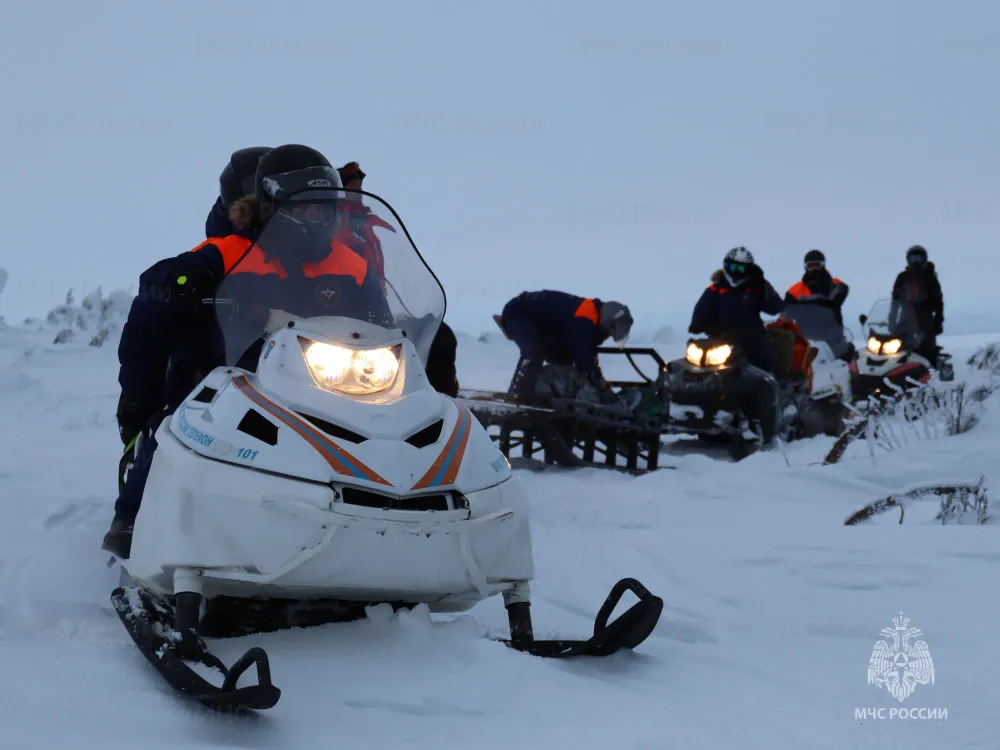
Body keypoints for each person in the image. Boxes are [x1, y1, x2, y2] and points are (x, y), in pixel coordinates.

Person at [103, 143, 388, 558]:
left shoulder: (351, 264)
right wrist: (176, 289)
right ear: (274, 207)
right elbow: (154, 299)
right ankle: (134, 523)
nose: (316, 218)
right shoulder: (228, 253)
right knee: (174, 425)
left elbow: (383, 326)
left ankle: (392, 522)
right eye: (305, 209)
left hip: (323, 391)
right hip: (227, 381)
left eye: (323, 209)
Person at [336, 160, 459, 397]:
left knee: (439, 336)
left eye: (359, 184)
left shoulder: (365, 223)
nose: (358, 191)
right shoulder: (332, 223)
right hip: (342, 310)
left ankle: (438, 404)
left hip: (374, 306)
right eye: (352, 184)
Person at [689, 246, 784, 445]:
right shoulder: (716, 287)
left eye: (741, 268)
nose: (736, 272)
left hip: (752, 339)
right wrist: (699, 323)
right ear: (725, 266)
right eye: (732, 267)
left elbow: (776, 307)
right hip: (722, 341)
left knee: (763, 370)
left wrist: (762, 284)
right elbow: (701, 309)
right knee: (701, 369)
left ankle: (764, 420)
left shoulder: (755, 286)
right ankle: (697, 408)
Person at [497, 290, 633, 403]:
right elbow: (586, 363)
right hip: (519, 313)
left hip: (545, 327)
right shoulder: (584, 320)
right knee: (533, 352)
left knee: (565, 362)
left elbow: (585, 357)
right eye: (608, 333)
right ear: (607, 322)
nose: (607, 336)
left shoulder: (589, 319)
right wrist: (606, 394)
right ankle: (517, 395)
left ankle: (546, 394)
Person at [891, 244, 944, 365]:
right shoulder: (902, 277)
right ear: (908, 260)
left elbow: (938, 301)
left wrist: (938, 321)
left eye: (918, 259)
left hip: (925, 320)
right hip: (905, 319)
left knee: (927, 350)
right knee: (896, 348)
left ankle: (932, 374)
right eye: (913, 259)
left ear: (924, 259)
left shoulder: (929, 277)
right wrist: (892, 321)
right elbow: (894, 301)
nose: (916, 262)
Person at [783, 249, 849, 325]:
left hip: (831, 332)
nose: (814, 269)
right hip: (804, 334)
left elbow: (840, 295)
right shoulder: (796, 290)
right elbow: (786, 313)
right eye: (810, 266)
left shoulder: (835, 284)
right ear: (806, 267)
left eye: (817, 265)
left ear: (823, 265)